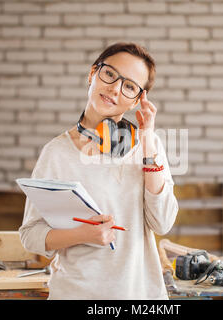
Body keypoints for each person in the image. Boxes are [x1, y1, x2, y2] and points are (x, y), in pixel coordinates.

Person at [19, 42, 179, 300]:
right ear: (93, 73)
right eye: (110, 74)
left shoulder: (150, 146)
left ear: (138, 100)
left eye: (129, 87)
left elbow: (163, 222)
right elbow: (30, 235)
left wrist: (147, 143)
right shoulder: (57, 152)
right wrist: (83, 235)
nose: (115, 89)